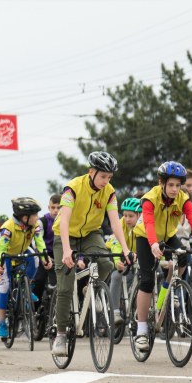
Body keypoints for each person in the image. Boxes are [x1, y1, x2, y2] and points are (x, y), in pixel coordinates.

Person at [51, 152, 134, 357]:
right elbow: (64, 220)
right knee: (65, 285)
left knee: (106, 263)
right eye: (103, 176)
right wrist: (68, 249)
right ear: (91, 172)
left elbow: (115, 222)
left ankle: (92, 287)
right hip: (65, 235)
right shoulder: (73, 188)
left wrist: (125, 249)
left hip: (90, 234)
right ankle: (60, 335)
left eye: (109, 177)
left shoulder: (110, 192)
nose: (106, 181)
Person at [131, 161, 192, 351]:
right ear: (162, 183)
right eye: (171, 185)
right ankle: (141, 331)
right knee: (146, 281)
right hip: (146, 237)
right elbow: (149, 224)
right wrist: (153, 243)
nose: (175, 189)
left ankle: (167, 289)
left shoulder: (182, 199)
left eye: (178, 185)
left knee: (183, 258)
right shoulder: (149, 198)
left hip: (167, 236)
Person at [0, 197, 51, 338]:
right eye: (35, 215)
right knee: (4, 286)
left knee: (36, 258)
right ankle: (2, 323)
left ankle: (26, 289)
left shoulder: (34, 225)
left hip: (22, 251)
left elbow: (40, 243)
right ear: (24, 217)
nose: (38, 218)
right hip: (7, 254)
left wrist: (46, 258)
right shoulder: (8, 227)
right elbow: (2, 246)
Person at [106, 197, 141, 325]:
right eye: (125, 215)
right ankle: (114, 312)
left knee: (157, 271)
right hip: (117, 252)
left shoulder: (144, 225)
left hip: (135, 254)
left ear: (139, 215)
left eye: (131, 216)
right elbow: (115, 244)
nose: (127, 219)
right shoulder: (120, 223)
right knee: (117, 276)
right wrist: (117, 262)